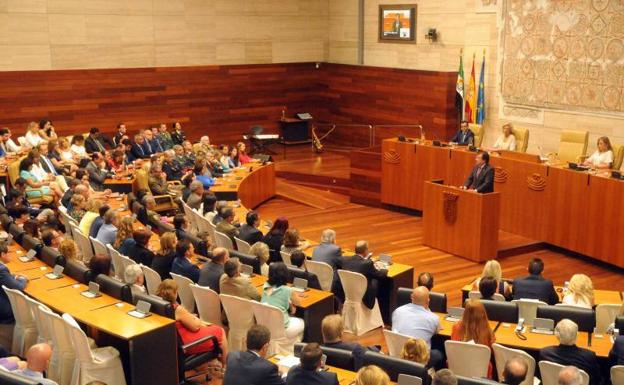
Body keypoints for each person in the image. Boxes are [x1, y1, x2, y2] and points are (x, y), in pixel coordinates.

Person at [156, 279, 227, 365]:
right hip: (186, 343)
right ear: (175, 293)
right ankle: (225, 367)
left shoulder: (158, 305)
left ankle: (214, 361)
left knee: (208, 326)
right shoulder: (177, 309)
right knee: (220, 331)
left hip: (175, 341)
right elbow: (195, 327)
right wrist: (197, 320)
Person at [391, 286, 442, 368]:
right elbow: (437, 331)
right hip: (419, 359)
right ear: (428, 301)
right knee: (439, 353)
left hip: (399, 354)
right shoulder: (433, 318)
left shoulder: (397, 311)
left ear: (411, 297)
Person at [539, 319, 601, 385]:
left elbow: (540, 376)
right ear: (577, 335)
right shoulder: (589, 357)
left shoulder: (545, 353)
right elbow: (597, 380)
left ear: (557, 335)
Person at [261, 262, 304, 341]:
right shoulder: (288, 290)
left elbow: (274, 296)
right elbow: (299, 302)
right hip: (282, 328)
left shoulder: (266, 286)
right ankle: (295, 347)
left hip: (266, 325)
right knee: (302, 322)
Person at [342, 240, 388, 309]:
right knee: (376, 280)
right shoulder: (367, 264)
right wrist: (385, 268)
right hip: (365, 298)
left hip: (349, 293)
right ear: (366, 250)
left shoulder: (345, 260)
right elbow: (380, 275)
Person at [0, 244, 28, 324]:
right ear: (2, 254)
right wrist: (23, 279)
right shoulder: (2, 269)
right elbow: (18, 287)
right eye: (8, 253)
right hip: (5, 309)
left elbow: (4, 277)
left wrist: (14, 276)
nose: (10, 255)